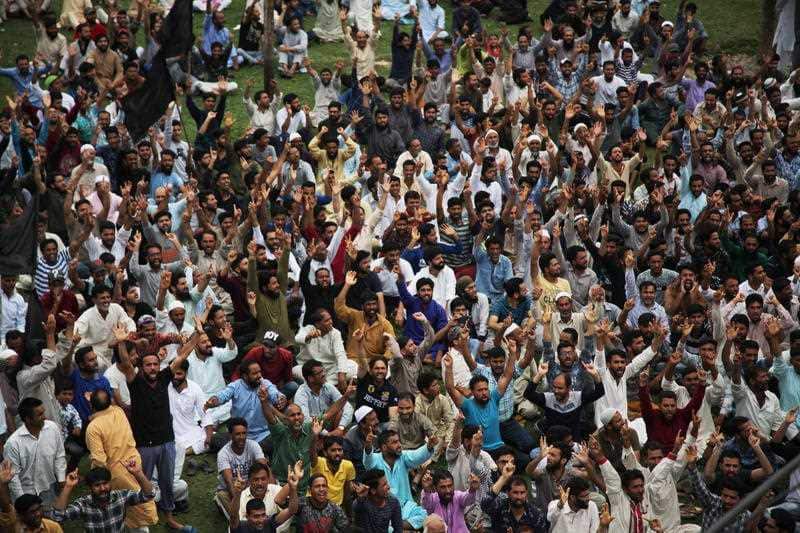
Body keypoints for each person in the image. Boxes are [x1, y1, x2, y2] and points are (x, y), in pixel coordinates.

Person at [364, 428, 438, 531]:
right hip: (384, 508)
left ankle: (397, 527)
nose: (399, 445)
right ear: (384, 447)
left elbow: (417, 456)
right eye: (394, 442)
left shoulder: (403, 456)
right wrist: (368, 446)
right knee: (383, 525)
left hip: (405, 505)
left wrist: (429, 445)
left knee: (424, 516)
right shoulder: (375, 459)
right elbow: (368, 462)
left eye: (399, 441)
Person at [52, 464, 157, 532]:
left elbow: (149, 495)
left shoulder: (120, 496)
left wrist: (138, 473)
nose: (102, 488)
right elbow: (58, 516)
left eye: (105, 483)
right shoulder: (83, 504)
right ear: (90, 488)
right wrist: (68, 486)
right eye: (97, 485)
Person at [5, 397, 66, 507]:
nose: (45, 417)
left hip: (49, 486)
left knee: (54, 520)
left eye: (43, 412)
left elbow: (59, 455)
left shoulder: (52, 428)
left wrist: (61, 479)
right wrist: (23, 502)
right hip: (26, 492)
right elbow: (13, 477)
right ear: (28, 419)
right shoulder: (13, 443)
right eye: (40, 414)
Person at [352, 468, 404, 533]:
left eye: (387, 483)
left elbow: (398, 529)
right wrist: (360, 498)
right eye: (384, 485)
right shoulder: (361, 503)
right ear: (373, 490)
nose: (388, 487)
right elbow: (356, 519)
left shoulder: (393, 502)